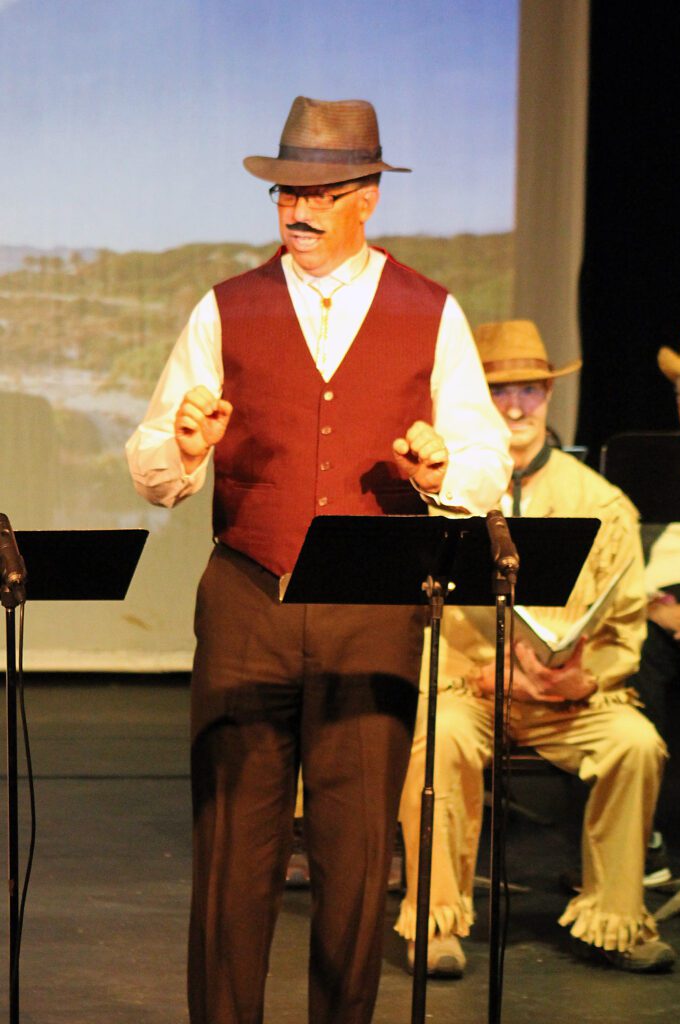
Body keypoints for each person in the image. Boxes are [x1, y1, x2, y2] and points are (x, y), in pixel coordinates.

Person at [126, 96, 511, 1024]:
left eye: (319, 195)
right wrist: (184, 445)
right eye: (283, 196)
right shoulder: (227, 309)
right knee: (232, 854)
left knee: (352, 861)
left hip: (371, 608)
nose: (296, 213)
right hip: (248, 599)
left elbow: (488, 458)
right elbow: (152, 461)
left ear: (368, 198)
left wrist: (441, 468)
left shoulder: (430, 311)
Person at [395, 319, 677, 977]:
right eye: (500, 392)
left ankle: (613, 916)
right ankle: (437, 920)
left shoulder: (600, 502)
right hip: (471, 689)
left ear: (549, 397)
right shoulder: (441, 500)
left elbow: (627, 624)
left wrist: (586, 678)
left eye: (531, 390)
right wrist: (486, 673)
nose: (517, 407)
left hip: (565, 695)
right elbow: (415, 617)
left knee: (635, 743)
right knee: (439, 739)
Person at [630, 332, 680, 879]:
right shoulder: (647, 466)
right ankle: (639, 834)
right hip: (657, 605)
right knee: (632, 654)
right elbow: (617, 559)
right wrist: (652, 609)